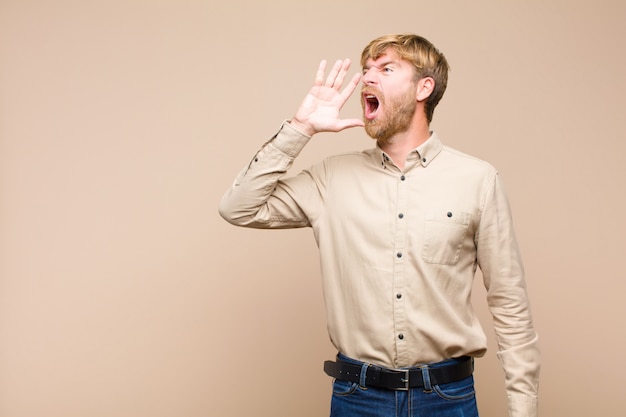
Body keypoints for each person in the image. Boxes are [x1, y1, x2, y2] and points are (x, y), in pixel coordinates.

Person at [218, 33, 540, 417]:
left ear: (424, 88)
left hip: (447, 399)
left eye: (386, 69)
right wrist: (300, 128)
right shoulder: (330, 179)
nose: (368, 78)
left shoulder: (477, 179)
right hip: (358, 398)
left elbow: (509, 303)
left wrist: (523, 410)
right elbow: (239, 208)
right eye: (367, 69)